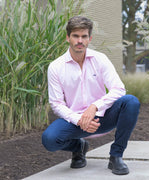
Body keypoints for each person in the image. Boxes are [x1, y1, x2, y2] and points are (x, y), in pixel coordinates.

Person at [42, 16, 140, 175]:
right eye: (75, 36)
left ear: (90, 38)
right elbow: (56, 103)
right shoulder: (56, 67)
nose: (79, 40)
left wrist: (94, 107)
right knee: (49, 139)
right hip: (75, 121)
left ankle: (116, 156)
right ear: (68, 37)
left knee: (131, 102)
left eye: (84, 36)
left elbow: (119, 89)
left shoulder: (100, 59)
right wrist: (79, 120)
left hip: (103, 116)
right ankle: (78, 147)